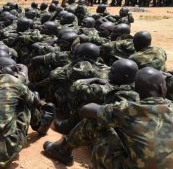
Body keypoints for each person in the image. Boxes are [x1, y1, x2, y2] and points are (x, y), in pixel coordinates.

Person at [43, 67, 173, 168]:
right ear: (162, 88)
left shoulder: (128, 110)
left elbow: (85, 110)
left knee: (93, 122)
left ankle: (62, 150)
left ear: (136, 91)